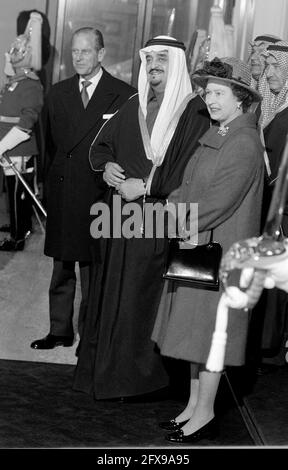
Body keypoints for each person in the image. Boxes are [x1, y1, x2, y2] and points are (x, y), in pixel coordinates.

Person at [72, 35, 211, 400]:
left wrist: (145, 187)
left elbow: (189, 169)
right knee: (109, 294)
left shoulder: (194, 112)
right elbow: (99, 147)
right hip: (118, 221)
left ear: (177, 63)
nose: (153, 67)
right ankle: (105, 375)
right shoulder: (134, 104)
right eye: (149, 60)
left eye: (161, 60)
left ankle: (138, 382)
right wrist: (107, 169)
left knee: (140, 298)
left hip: (159, 222)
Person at [151, 56, 264, 443]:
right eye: (208, 93)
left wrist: (180, 218)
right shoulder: (218, 134)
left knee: (213, 338)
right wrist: (172, 206)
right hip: (201, 248)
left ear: (241, 98)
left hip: (222, 257)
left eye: (218, 93)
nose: (209, 99)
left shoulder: (244, 141)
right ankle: (193, 407)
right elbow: (189, 183)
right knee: (196, 337)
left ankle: (205, 412)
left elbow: (220, 200)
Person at [30, 27, 135, 351]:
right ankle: (59, 330)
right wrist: (45, 185)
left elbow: (127, 146)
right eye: (74, 51)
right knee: (61, 265)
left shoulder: (123, 93)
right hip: (63, 191)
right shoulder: (58, 92)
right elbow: (47, 145)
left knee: (94, 270)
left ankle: (89, 337)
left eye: (85, 51)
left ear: (101, 54)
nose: (78, 57)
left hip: (98, 194)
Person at [252, 41, 288, 369]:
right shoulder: (268, 108)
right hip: (263, 209)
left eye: (277, 66)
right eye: (268, 67)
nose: (270, 72)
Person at [0, 12, 44, 252]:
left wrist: (1, 146)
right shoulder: (15, 81)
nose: (11, 54)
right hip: (9, 148)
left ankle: (17, 238)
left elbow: (26, 123)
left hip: (18, 148)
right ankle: (19, 227)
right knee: (13, 194)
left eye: (16, 52)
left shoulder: (30, 84)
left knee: (19, 196)